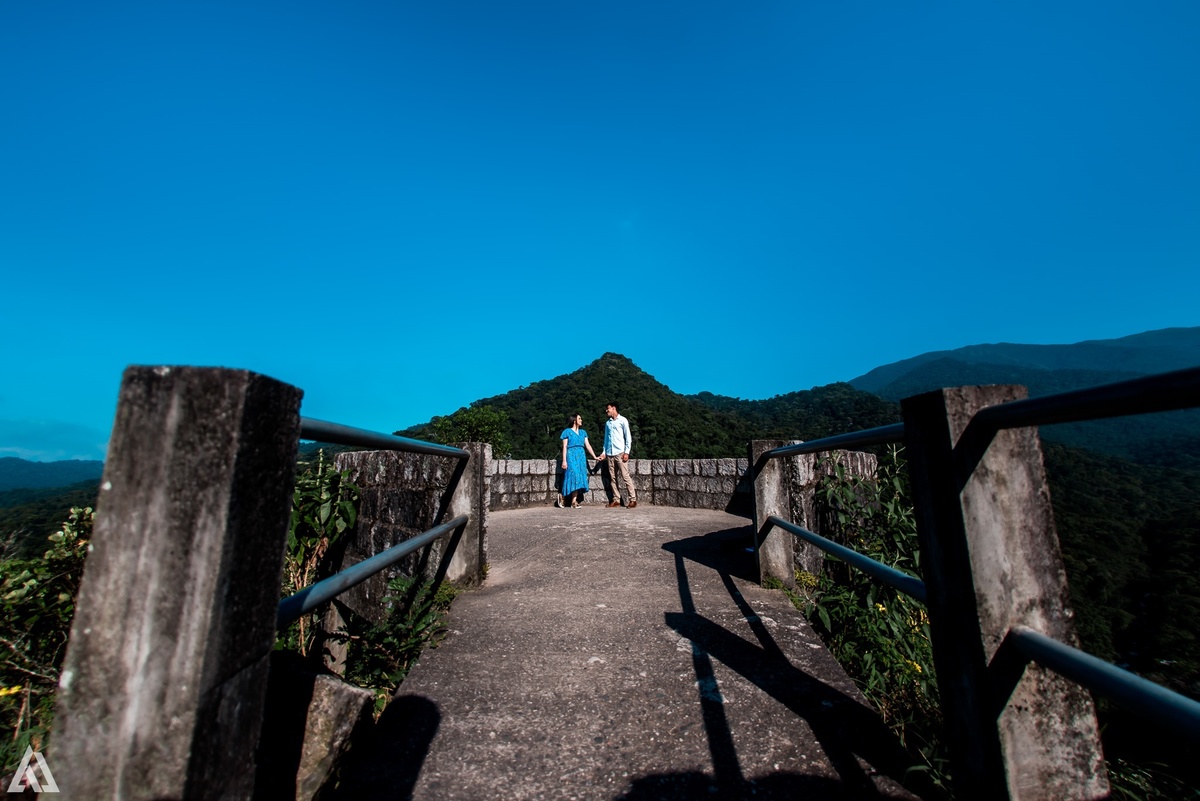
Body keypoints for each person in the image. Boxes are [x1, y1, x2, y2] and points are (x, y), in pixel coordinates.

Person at [596, 402, 638, 508]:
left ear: (614, 408)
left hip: (620, 453)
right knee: (613, 478)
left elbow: (628, 437)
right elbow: (606, 439)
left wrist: (627, 452)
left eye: (608, 409)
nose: (607, 411)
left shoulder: (623, 420)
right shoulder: (608, 423)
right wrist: (604, 453)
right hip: (610, 453)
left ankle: (633, 499)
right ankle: (616, 500)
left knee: (625, 476)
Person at [556, 413, 598, 508]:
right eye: (579, 418)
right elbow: (564, 446)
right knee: (572, 475)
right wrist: (564, 460)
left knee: (579, 477)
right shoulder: (567, 432)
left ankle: (574, 501)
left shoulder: (583, 432)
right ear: (574, 420)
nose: (581, 420)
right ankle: (562, 497)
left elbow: (588, 445)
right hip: (571, 455)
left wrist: (594, 456)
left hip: (581, 456)